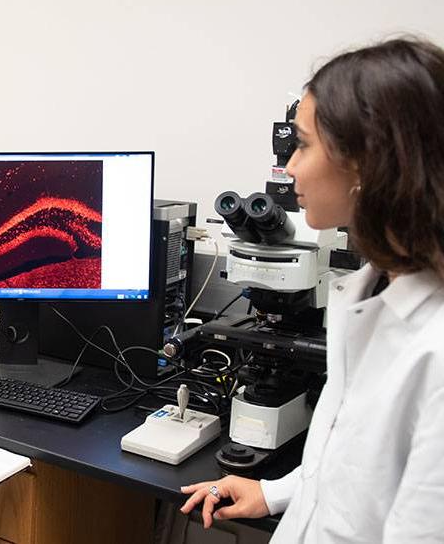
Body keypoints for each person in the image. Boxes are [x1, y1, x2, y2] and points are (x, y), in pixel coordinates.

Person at [180, 38, 444, 542]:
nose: (291, 168)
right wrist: (275, 493)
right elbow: (352, 460)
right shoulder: (367, 292)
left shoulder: (434, 350)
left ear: (368, 161)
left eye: (302, 145)